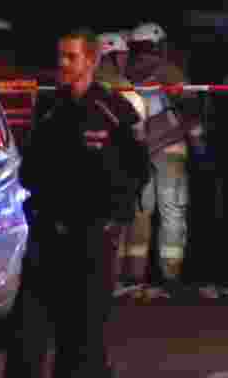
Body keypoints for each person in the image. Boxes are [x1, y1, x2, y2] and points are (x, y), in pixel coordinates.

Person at [4, 28, 149, 378]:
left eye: (72, 57)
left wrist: (114, 217)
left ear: (92, 60)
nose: (64, 64)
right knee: (27, 334)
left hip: (91, 240)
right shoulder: (50, 107)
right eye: (61, 57)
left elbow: (137, 170)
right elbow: (31, 167)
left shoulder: (112, 110)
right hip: (47, 237)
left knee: (81, 341)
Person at [126, 22, 201, 294]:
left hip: (138, 149)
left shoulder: (125, 73)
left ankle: (134, 278)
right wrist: (197, 138)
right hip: (170, 147)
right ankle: (170, 276)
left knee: (140, 212)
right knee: (172, 211)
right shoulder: (169, 71)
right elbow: (191, 107)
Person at [95, 32, 149, 293]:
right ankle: (114, 283)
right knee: (116, 229)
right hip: (117, 173)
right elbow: (139, 141)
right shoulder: (128, 93)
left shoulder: (75, 91)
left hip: (85, 173)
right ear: (115, 56)